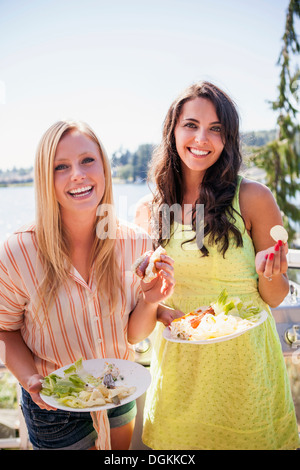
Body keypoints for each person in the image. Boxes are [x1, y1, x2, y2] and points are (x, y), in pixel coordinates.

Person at [134, 81, 300, 450]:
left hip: (245, 367)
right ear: (172, 131)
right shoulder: (147, 212)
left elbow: (274, 297)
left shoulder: (253, 197)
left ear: (228, 139)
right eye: (191, 125)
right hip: (181, 369)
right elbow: (145, 306)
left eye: (216, 129)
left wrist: (268, 271)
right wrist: (154, 303)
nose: (201, 138)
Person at [0, 120, 175, 450]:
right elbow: (4, 329)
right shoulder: (17, 252)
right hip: (54, 407)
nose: (77, 174)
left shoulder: (136, 244)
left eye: (87, 160)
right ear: (45, 180)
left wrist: (151, 301)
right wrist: (30, 380)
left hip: (119, 391)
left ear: (105, 168)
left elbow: (134, 334)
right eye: (61, 166)